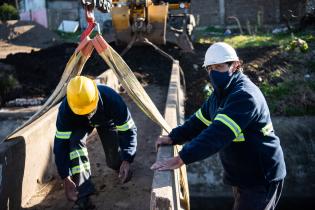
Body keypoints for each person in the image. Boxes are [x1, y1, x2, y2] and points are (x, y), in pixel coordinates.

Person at [151, 42, 286, 210]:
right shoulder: (219, 95)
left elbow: (217, 134)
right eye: (210, 68)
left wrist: (182, 158)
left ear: (235, 65)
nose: (213, 73)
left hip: (260, 176)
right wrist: (174, 137)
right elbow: (199, 121)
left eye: (219, 67)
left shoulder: (244, 96)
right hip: (243, 175)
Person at [54, 76, 137, 210]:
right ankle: (83, 195)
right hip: (79, 124)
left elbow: (128, 130)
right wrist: (66, 177)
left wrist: (127, 159)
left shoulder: (112, 99)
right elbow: (60, 145)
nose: (88, 114)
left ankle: (120, 166)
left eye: (89, 110)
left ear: (96, 97)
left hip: (105, 120)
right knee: (75, 143)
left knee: (113, 161)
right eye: (84, 111)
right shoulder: (66, 110)